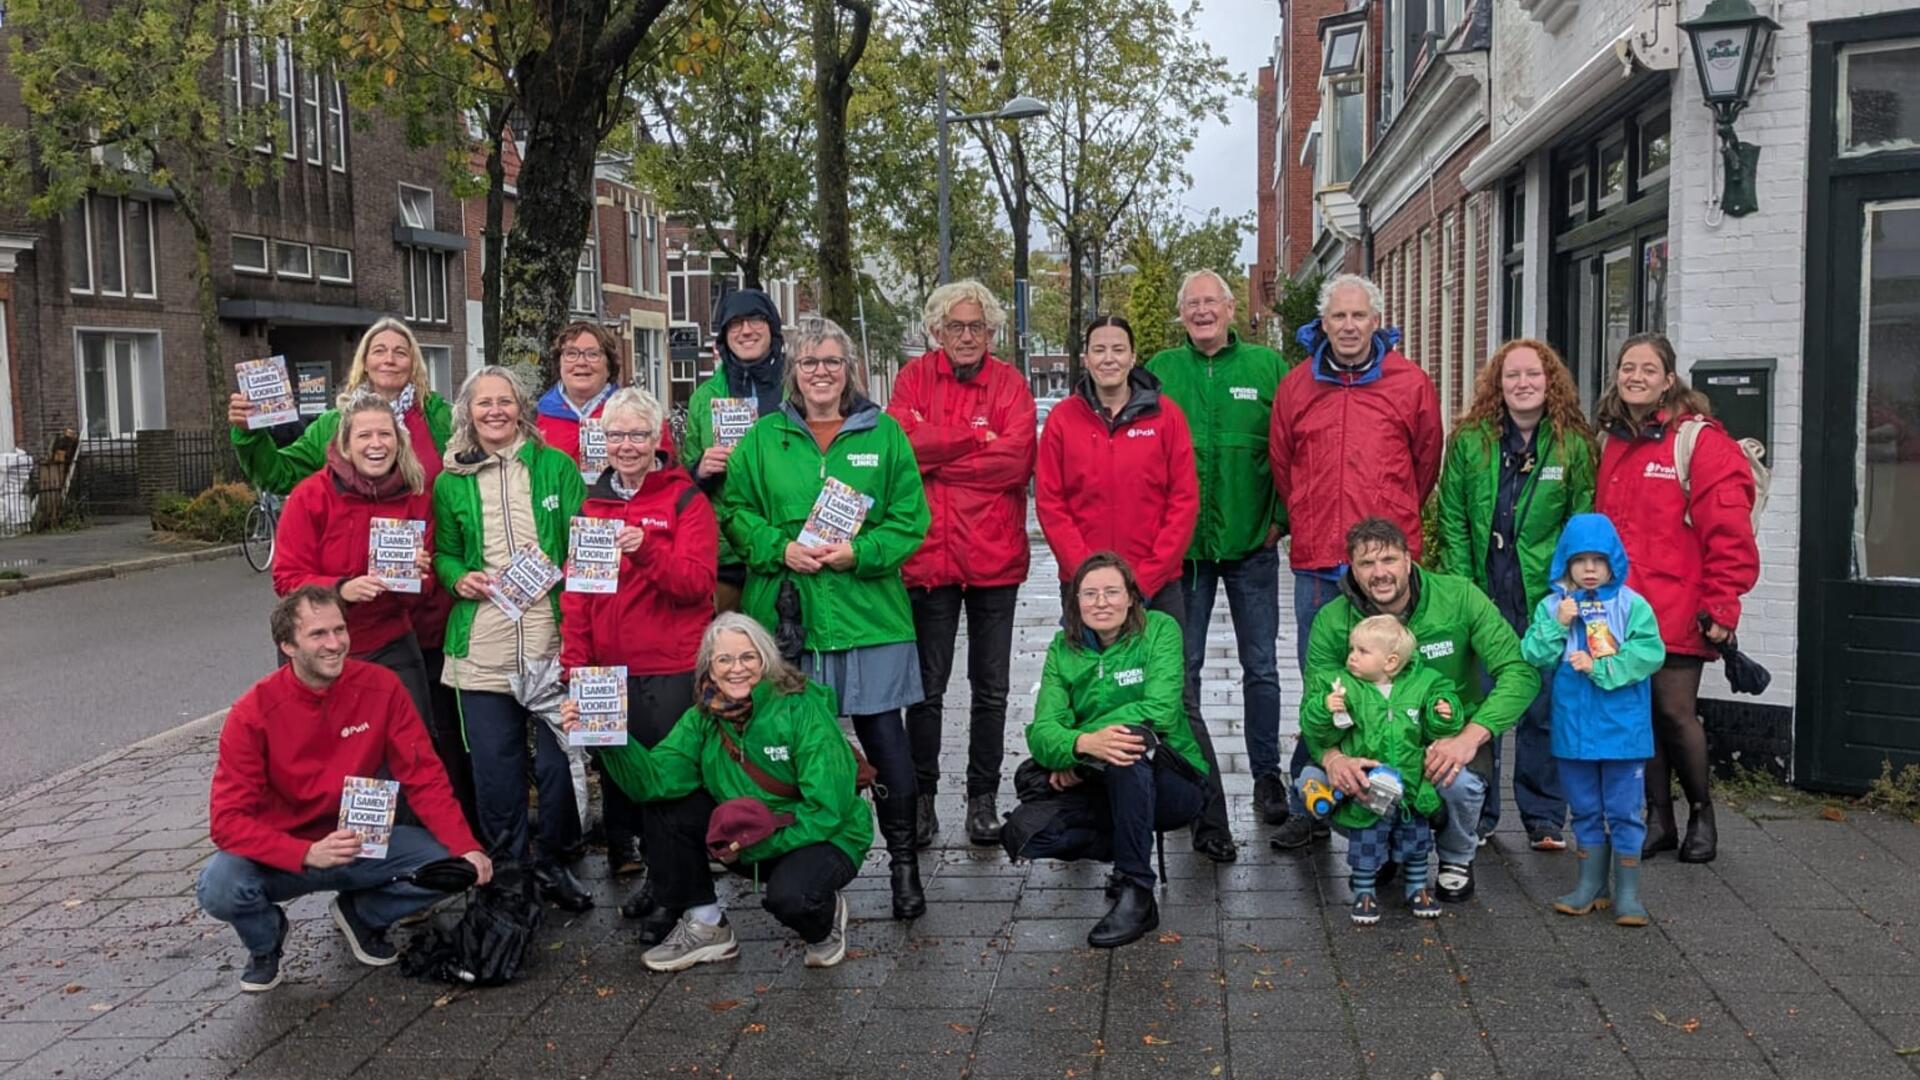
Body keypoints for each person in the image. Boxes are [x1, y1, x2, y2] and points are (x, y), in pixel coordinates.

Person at [721, 317, 932, 919]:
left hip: (869, 615)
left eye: (833, 362)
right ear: (794, 371)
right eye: (810, 362)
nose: (821, 372)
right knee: (791, 743)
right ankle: (800, 867)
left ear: (850, 371)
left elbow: (909, 519)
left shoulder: (884, 435)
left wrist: (859, 553)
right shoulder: (763, 439)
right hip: (789, 616)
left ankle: (903, 864)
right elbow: (734, 511)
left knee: (885, 738)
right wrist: (777, 548)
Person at [228, 319, 471, 825]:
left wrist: (427, 571)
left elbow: (471, 483)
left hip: (419, 616)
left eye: (399, 350)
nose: (388, 359)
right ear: (344, 441)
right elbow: (277, 483)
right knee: (343, 749)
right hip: (336, 632)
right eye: (377, 350)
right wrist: (248, 432)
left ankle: (422, 846)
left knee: (422, 740)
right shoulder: (319, 476)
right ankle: (348, 849)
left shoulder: (442, 422)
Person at [197, 586, 492, 992]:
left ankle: (364, 916)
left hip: (358, 841)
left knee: (454, 866)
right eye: (318, 634)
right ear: (287, 645)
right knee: (219, 887)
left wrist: (466, 845)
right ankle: (265, 943)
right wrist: (304, 852)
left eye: (340, 630)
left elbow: (423, 776)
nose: (335, 644)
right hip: (282, 851)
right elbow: (227, 823)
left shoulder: (383, 687)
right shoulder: (252, 714)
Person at [572, 615, 871, 970]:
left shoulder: (800, 709)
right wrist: (607, 736)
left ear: (766, 660)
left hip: (826, 835)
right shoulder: (703, 717)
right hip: (747, 835)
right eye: (724, 660)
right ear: (709, 670)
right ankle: (707, 922)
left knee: (793, 899)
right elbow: (653, 782)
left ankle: (824, 921)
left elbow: (827, 809)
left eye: (748, 657)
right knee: (666, 806)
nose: (736, 669)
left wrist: (753, 843)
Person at [1270, 273, 1443, 849]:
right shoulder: (1297, 387)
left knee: (1393, 675)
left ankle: (1401, 800)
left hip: (1386, 564)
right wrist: (1309, 511)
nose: (1348, 326)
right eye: (1338, 317)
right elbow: (1282, 464)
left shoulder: (1410, 383)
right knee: (1324, 680)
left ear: (1377, 323)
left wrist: (1389, 527)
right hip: (1320, 556)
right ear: (1323, 323)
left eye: (1358, 316)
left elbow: (1426, 464)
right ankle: (1313, 796)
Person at [1287, 518, 1540, 904]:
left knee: (1459, 784)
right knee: (1314, 781)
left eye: (1389, 559)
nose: (1380, 573)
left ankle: (1457, 857)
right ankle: (1385, 846)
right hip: (1368, 743)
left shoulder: (1459, 597)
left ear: (1409, 560)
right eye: (1366, 564)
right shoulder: (1332, 621)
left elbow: (1519, 671)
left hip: (1446, 737)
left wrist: (1470, 737)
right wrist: (1334, 756)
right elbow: (1314, 701)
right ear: (1351, 568)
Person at [1593, 333, 1759, 864]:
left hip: (1680, 605)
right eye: (1626, 367)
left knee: (1674, 712)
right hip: (1625, 610)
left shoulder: (1699, 442)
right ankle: (1658, 818)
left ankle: (1702, 815)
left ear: (1669, 380)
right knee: (1640, 715)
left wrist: (1723, 605)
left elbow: (1729, 532)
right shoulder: (1612, 439)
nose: (1635, 376)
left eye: (1648, 368)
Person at [560, 387, 719, 937]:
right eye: (614, 435)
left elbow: (697, 586)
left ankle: (684, 899)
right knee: (629, 787)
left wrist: (646, 549)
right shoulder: (594, 506)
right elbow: (578, 596)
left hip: (669, 668)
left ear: (657, 440)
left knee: (672, 787)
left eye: (636, 435)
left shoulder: (685, 502)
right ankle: (660, 880)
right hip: (607, 673)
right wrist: (575, 668)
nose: (625, 446)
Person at [432, 366, 593, 910]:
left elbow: (584, 539)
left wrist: (566, 568)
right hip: (484, 643)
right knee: (495, 771)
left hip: (551, 640)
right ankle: (509, 873)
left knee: (557, 766)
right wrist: (459, 577)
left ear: (523, 408)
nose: (495, 411)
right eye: (484, 404)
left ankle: (551, 864)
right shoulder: (450, 480)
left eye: (506, 402)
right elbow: (444, 553)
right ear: (468, 413)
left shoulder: (555, 466)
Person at [1145, 269, 1290, 860]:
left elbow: (1288, 448)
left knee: (1261, 666)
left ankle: (1265, 775)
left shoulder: (1265, 368)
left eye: (1212, 302)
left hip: (1253, 542)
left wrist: (1283, 517)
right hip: (1185, 553)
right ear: (1181, 315)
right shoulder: (1160, 369)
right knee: (1184, 671)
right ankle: (1192, 779)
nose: (1203, 312)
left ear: (1233, 309)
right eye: (1192, 304)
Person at [888, 280, 1036, 849]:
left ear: (992, 333)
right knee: (926, 689)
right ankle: (922, 800)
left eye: (978, 327)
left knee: (991, 688)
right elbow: (904, 451)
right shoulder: (912, 378)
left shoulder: (1011, 383)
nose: (967, 336)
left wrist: (939, 455)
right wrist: (973, 439)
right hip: (928, 558)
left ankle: (982, 800)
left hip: (994, 558)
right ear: (936, 331)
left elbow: (1014, 461)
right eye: (957, 326)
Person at [1001, 553, 1210, 948]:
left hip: (1174, 780)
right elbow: (1042, 731)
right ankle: (1131, 841)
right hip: (1099, 778)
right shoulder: (1063, 648)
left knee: (1127, 751)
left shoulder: (1160, 630)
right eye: (1090, 594)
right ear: (1075, 602)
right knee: (1022, 833)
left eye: (1112, 592)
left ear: (1131, 597)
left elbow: (1161, 711)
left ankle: (1136, 888)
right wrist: (1082, 746)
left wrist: (1086, 741)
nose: (1101, 602)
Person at [1435, 340, 1596, 851]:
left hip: (1546, 599)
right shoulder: (1468, 441)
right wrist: (1462, 592)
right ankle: (1477, 813)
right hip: (1484, 596)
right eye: (1511, 376)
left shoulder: (1574, 444)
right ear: (1496, 384)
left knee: (1544, 708)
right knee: (1481, 706)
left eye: (1533, 374)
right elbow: (1453, 519)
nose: (1522, 384)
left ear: (1550, 381)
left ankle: (1545, 817)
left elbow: (1584, 521)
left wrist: (1568, 589)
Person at [1522, 514, 1667, 927]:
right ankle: (1590, 886)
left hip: (1623, 731)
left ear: (1613, 562)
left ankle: (1627, 893)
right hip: (1574, 730)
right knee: (1584, 808)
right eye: (1579, 559)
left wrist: (1601, 668)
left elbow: (1650, 653)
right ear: (1564, 562)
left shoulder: (1631, 605)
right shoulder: (1553, 606)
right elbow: (1534, 654)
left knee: (1623, 809)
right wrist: (1558, 624)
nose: (1589, 569)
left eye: (1598, 560)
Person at [273, 393, 438, 725]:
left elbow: (422, 591)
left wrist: (419, 579)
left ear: (398, 442)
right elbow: (286, 578)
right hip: (317, 643)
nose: (375, 444)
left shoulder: (417, 497)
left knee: (410, 742)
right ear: (345, 445)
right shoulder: (310, 495)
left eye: (384, 434)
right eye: (364, 435)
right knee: (322, 750)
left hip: (388, 639)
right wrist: (340, 590)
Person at [1298, 615, 1462, 925]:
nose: (1352, 657)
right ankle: (1364, 891)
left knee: (1416, 844)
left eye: (1362, 651)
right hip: (1368, 789)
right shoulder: (1344, 687)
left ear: (1390, 662)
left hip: (1411, 786)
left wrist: (1444, 712)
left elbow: (1432, 728)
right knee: (1366, 841)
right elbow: (1319, 734)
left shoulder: (1424, 684)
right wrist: (1324, 708)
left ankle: (1417, 888)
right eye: (1352, 649)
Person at [682, 290, 788, 613]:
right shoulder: (704, 397)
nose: (746, 331)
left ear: (771, 327)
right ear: (724, 336)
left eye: (755, 320)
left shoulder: (796, 386)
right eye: (735, 324)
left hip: (785, 542)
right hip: (726, 551)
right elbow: (682, 477)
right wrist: (700, 469)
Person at [537, 321, 638, 471]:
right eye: (571, 354)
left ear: (609, 366)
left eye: (593, 354)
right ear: (559, 364)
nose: (581, 362)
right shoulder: (534, 418)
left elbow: (665, 476)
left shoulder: (639, 414)